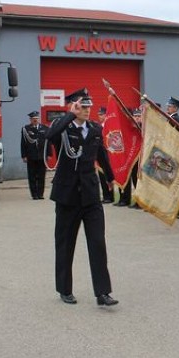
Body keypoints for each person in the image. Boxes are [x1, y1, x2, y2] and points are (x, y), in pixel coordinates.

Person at [46, 87, 118, 307]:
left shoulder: (95, 129)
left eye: (88, 106)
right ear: (73, 106)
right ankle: (64, 289)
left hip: (90, 195)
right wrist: (69, 114)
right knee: (66, 244)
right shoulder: (63, 128)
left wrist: (111, 178)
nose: (86, 110)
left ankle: (103, 293)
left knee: (97, 242)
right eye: (82, 106)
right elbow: (49, 136)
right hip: (67, 195)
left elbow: (101, 154)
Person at [116, 109, 142, 208]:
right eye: (135, 116)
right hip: (129, 157)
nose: (137, 118)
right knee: (129, 178)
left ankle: (139, 202)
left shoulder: (142, 127)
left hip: (138, 158)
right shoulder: (129, 128)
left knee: (137, 180)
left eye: (138, 116)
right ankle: (128, 199)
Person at [20, 111, 47, 200]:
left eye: (36, 119)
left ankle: (40, 194)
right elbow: (23, 143)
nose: (35, 120)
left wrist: (49, 154)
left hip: (41, 155)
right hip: (31, 155)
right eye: (33, 119)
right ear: (30, 120)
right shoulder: (26, 129)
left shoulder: (44, 128)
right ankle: (34, 194)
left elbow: (48, 142)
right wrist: (24, 155)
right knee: (32, 175)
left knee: (41, 175)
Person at [96, 107, 114, 203]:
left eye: (101, 114)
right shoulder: (98, 127)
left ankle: (110, 196)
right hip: (100, 154)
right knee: (102, 177)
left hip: (108, 154)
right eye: (99, 114)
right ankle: (106, 196)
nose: (100, 116)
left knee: (108, 175)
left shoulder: (109, 127)